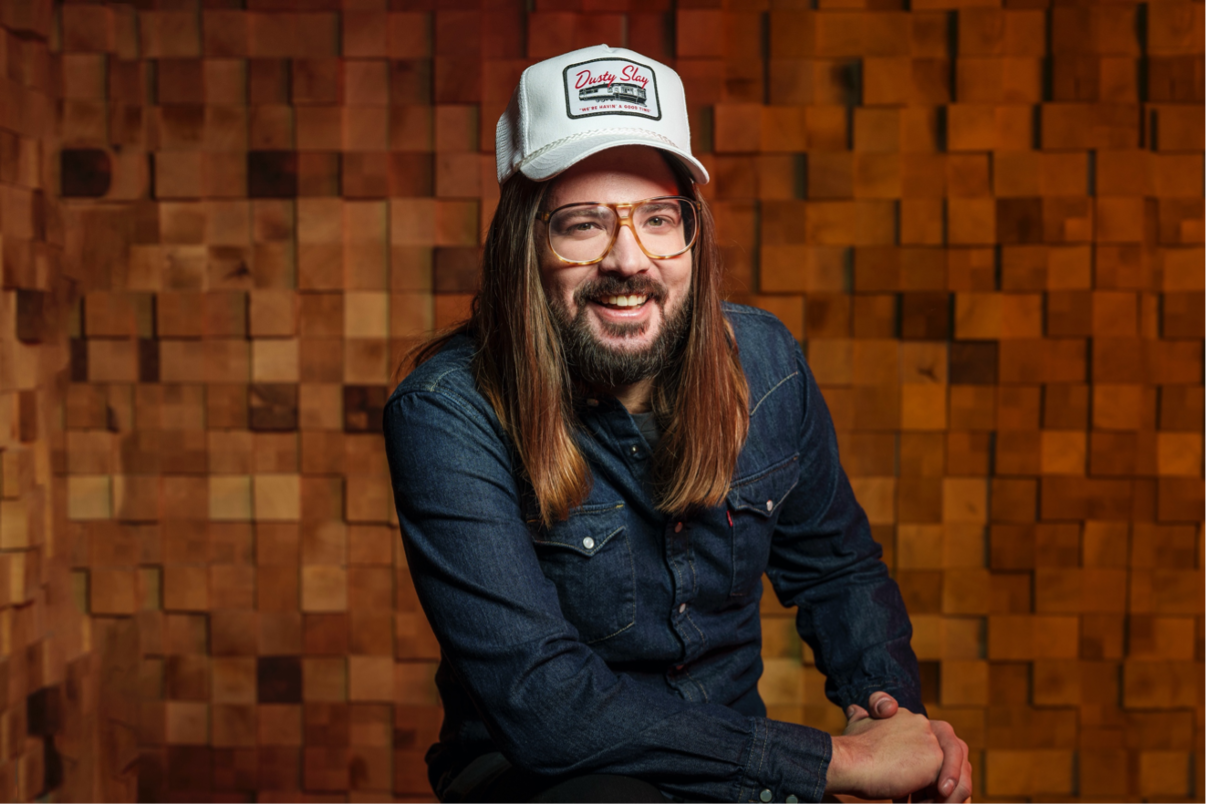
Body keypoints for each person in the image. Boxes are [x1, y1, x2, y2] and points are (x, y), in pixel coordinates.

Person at [384, 44, 973, 805]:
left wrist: (887, 714)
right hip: (544, 779)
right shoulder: (446, 411)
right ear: (523, 246)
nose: (629, 260)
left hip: (734, 773)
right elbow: (545, 706)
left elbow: (838, 569)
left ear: (693, 232)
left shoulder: (766, 364)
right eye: (583, 224)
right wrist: (839, 760)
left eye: (659, 219)